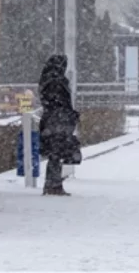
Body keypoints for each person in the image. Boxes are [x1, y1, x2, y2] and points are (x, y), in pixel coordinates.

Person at [39, 54, 81, 196]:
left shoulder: (47, 80)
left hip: (53, 120)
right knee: (56, 153)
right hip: (57, 121)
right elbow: (60, 101)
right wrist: (68, 113)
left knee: (55, 153)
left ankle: (53, 183)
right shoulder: (56, 82)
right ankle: (53, 185)